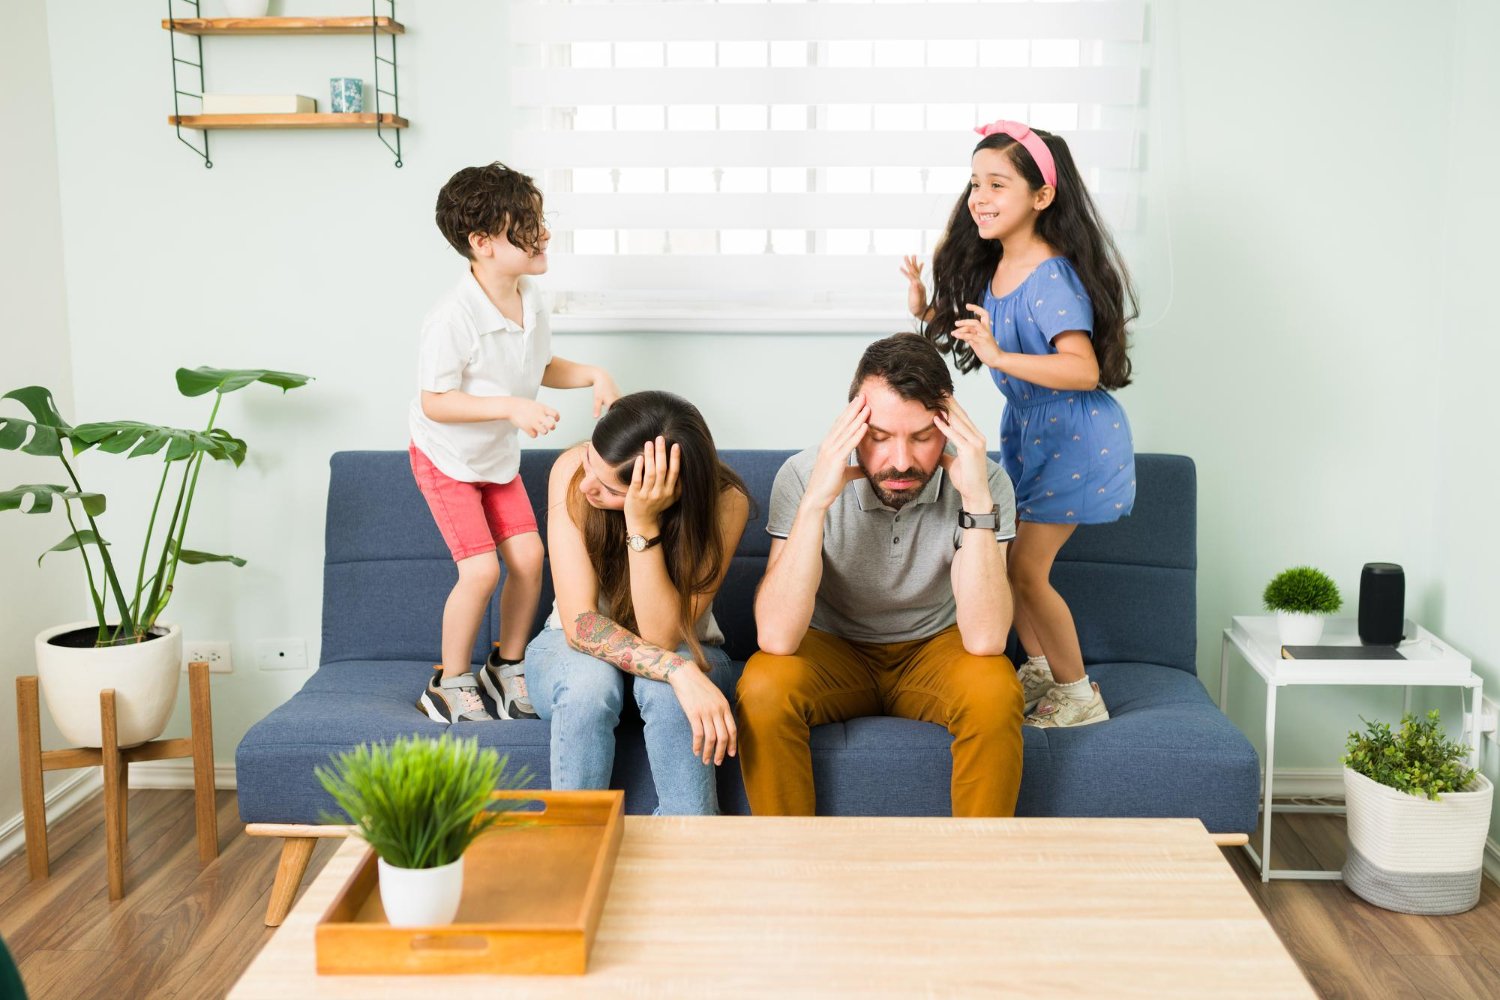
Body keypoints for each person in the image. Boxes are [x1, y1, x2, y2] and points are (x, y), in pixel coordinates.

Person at [902, 120, 1138, 729]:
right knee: (1012, 567)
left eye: (997, 184)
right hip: (1034, 436)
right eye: (975, 182)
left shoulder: (1052, 275)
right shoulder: (996, 268)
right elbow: (970, 328)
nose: (979, 196)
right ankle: (1040, 670)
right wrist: (922, 305)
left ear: (1041, 196)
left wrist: (1001, 357)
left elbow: (1082, 370)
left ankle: (1080, 695)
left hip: (1076, 440)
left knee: (1028, 573)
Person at [737, 334, 1024, 817]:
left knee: (996, 691)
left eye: (922, 437)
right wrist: (816, 504)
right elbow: (777, 636)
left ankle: (981, 878)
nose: (901, 461)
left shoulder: (987, 481)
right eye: (880, 437)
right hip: (832, 646)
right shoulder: (805, 474)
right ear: (853, 428)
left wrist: (977, 502)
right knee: (763, 688)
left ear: (948, 429)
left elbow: (987, 639)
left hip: (937, 648)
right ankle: (787, 869)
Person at [410, 162, 619, 724]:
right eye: (525, 224)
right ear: (481, 243)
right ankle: (448, 681)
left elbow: (541, 364)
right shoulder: (451, 318)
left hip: (495, 459)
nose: (543, 234)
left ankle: (506, 665)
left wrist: (595, 374)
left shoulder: (530, 298)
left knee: (529, 559)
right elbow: (436, 401)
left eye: (540, 219)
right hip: (448, 460)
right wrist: (511, 407)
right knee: (480, 572)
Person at [525, 391, 749, 814]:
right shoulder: (571, 470)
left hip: (684, 642)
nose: (588, 485)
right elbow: (580, 624)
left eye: (611, 489)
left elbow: (662, 635)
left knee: (668, 696)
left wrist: (641, 521)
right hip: (572, 649)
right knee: (589, 686)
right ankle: (575, 846)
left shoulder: (725, 501)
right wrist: (676, 670)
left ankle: (690, 849)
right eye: (592, 461)